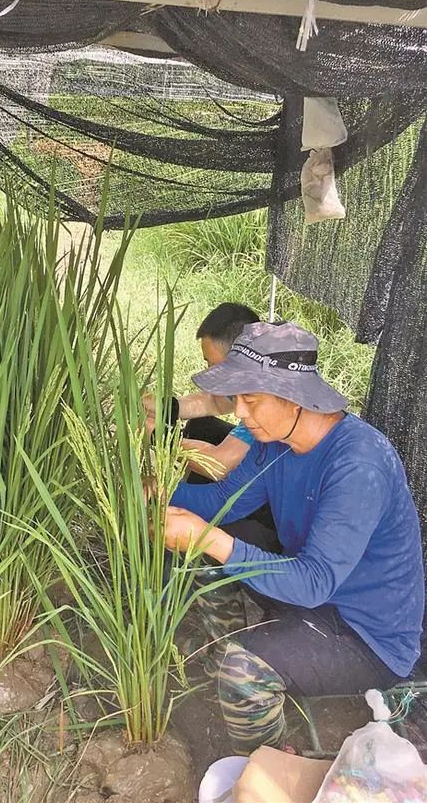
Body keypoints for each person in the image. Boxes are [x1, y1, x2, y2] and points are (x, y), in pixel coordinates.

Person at [162, 321, 425, 754]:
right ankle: (226, 650)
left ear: (294, 397)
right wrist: (151, 494)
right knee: (218, 540)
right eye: (238, 399)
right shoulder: (277, 442)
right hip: (310, 595)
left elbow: (313, 581)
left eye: (251, 400)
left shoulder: (358, 464)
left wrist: (206, 538)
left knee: (245, 669)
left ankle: (268, 763)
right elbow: (225, 499)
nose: (240, 414)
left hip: (365, 634)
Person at [143, 302, 260, 480]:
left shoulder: (266, 396)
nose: (208, 372)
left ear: (239, 358)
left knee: (209, 467)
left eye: (213, 365)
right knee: (202, 427)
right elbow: (214, 402)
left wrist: (160, 437)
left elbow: (218, 465)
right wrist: (165, 408)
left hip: (281, 496)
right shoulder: (248, 373)